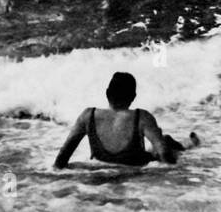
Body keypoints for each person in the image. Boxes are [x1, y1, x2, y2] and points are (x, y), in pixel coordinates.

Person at [53, 71, 192, 169]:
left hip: (102, 172)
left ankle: (184, 145)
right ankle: (188, 145)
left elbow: (62, 158)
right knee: (166, 142)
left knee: (163, 142)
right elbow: (164, 154)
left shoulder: (88, 115)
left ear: (107, 93)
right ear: (133, 97)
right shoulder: (142, 117)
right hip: (136, 172)